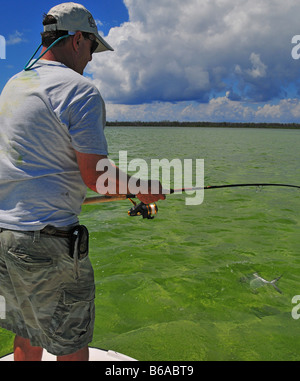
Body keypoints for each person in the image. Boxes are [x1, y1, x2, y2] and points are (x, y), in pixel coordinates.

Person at [0, 2, 165, 361]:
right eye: (92, 48)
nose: (92, 58)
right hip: (49, 246)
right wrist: (144, 189)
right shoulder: (80, 91)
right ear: (77, 40)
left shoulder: (13, 85)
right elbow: (98, 178)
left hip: (5, 238)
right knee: (70, 344)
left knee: (26, 333)